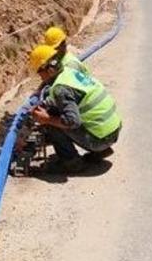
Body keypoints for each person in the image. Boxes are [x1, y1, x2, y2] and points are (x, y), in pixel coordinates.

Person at [28, 44, 122, 173]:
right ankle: (101, 150)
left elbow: (72, 121)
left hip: (100, 139)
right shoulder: (69, 72)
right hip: (112, 131)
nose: (39, 77)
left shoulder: (60, 89)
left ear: (48, 69)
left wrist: (46, 118)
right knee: (55, 113)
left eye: (39, 72)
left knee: (51, 122)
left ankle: (72, 163)